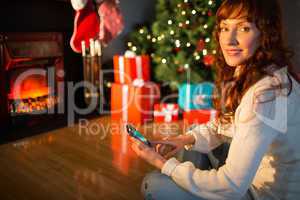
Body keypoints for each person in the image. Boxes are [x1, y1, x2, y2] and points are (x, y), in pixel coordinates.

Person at [130, 0, 300, 199]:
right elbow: (226, 125)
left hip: (264, 194)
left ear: (266, 33)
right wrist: (182, 139)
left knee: (154, 185)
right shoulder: (254, 71)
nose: (229, 40)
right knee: (193, 136)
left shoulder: (266, 95)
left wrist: (162, 163)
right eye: (224, 28)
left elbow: (232, 185)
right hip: (251, 178)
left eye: (244, 28)